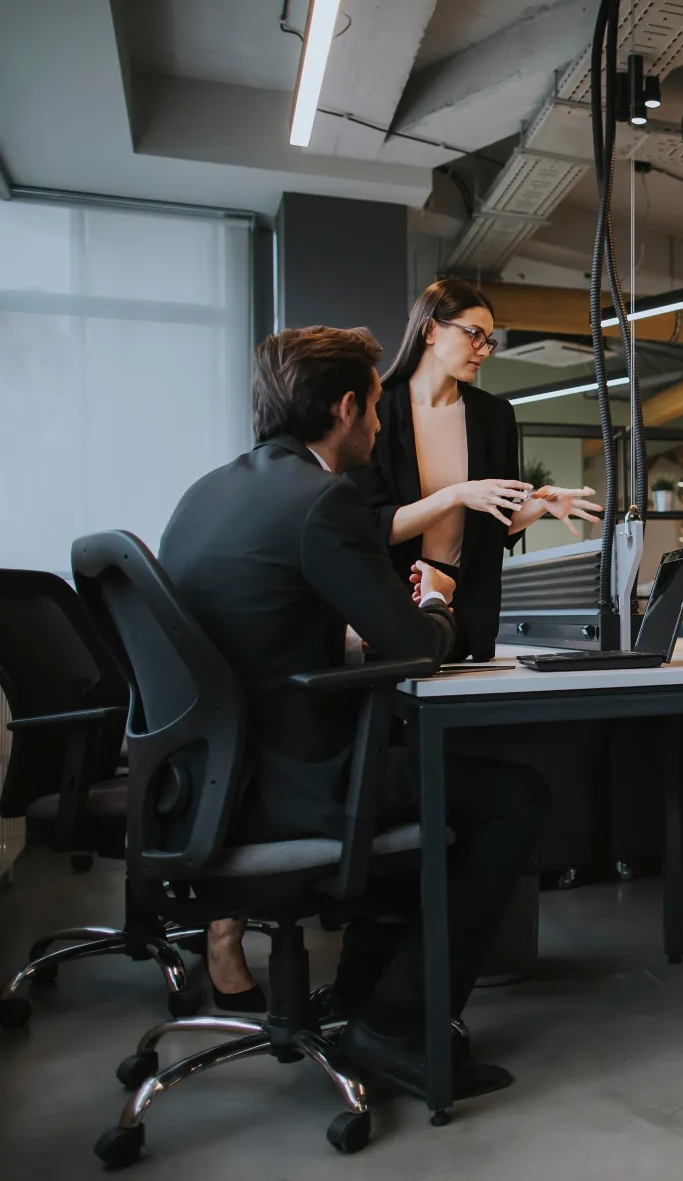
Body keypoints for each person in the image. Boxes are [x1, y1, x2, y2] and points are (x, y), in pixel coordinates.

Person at [159, 325, 547, 1098]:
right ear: (343, 408)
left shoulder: (208, 492)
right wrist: (437, 596)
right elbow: (414, 647)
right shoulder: (324, 500)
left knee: (428, 781)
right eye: (373, 407)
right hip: (282, 785)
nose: (379, 423)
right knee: (513, 796)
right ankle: (399, 1025)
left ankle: (369, 1000)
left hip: (197, 784)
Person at [349, 278, 601, 662]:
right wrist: (457, 494)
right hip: (395, 604)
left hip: (470, 607)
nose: (483, 350)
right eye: (473, 335)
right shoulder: (377, 411)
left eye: (489, 340)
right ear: (430, 328)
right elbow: (375, 526)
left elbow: (492, 526)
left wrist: (539, 504)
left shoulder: (494, 416)